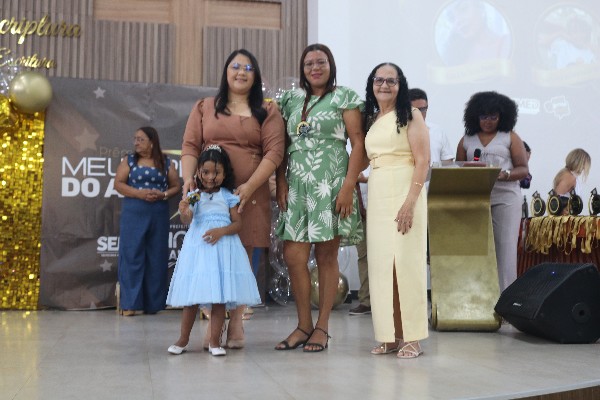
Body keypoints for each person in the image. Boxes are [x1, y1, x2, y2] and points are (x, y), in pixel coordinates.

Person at [180, 49, 285, 349]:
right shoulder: (205, 106)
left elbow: (275, 152)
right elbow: (190, 145)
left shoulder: (267, 110)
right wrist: (189, 180)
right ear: (226, 71)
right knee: (210, 255)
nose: (241, 72)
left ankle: (236, 321)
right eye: (235, 66)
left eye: (248, 68)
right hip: (209, 194)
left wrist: (250, 186)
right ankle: (213, 324)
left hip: (248, 194)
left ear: (256, 75)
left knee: (242, 254)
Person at [274, 43, 366, 352]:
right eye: (309, 63)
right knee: (294, 256)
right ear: (302, 69)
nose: (315, 67)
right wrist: (281, 180)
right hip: (297, 184)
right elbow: (282, 144)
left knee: (327, 256)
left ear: (331, 65)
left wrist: (348, 186)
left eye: (321, 62)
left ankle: (322, 327)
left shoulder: (344, 96)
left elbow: (358, 143)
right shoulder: (291, 100)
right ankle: (303, 325)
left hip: (331, 184)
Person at [167, 146, 261, 357]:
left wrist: (221, 231)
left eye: (216, 172)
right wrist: (184, 211)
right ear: (198, 172)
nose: (211, 177)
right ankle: (183, 339)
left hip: (222, 250)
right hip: (199, 251)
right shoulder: (195, 196)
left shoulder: (228, 196)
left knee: (219, 297)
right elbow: (187, 219)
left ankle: (214, 341)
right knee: (192, 298)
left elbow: (238, 223)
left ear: (225, 173)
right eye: (206, 172)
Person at [363, 62, 430, 358]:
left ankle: (412, 337)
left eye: (391, 81)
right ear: (372, 84)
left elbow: (423, 160)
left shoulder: (410, 114)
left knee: (406, 263)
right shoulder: (373, 118)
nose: (385, 85)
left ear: (400, 85)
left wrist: (410, 202)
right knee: (381, 266)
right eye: (379, 80)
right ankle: (389, 336)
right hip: (378, 192)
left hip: (406, 190)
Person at [456, 91, 529, 292]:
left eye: (493, 117)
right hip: (476, 198)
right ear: (475, 116)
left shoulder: (510, 137)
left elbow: (523, 169)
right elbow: (457, 169)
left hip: (506, 197)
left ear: (502, 117)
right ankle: (481, 298)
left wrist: (504, 174)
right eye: (483, 116)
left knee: (505, 250)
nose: (488, 121)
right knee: (478, 250)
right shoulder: (466, 139)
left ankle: (506, 299)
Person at [115, 126, 181, 316]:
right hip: (134, 212)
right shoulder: (129, 161)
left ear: (152, 143)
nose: (136, 142)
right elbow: (118, 184)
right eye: (135, 139)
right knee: (131, 255)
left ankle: (154, 304)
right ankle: (130, 304)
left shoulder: (166, 162)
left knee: (156, 256)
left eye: (141, 139)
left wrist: (164, 194)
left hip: (158, 213)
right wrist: (139, 193)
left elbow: (176, 186)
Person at [408, 88, 454, 170]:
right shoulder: (398, 132)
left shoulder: (438, 131)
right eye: (415, 110)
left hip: (433, 178)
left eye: (423, 109)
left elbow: (448, 161)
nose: (419, 113)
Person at [348, 169, 371, 316]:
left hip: (380, 209)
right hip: (359, 212)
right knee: (363, 256)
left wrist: (366, 179)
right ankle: (366, 301)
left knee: (384, 256)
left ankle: (387, 301)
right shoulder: (350, 155)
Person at [552, 148, 591, 215]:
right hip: (565, 219)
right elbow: (555, 202)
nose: (584, 168)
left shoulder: (569, 175)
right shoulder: (569, 177)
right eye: (584, 165)